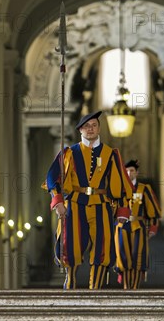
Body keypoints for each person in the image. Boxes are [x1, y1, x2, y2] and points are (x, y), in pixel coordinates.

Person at [46, 110, 133, 290]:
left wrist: (123, 210)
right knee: (70, 245)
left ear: (99, 128)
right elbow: (52, 178)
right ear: (80, 130)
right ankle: (70, 283)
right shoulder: (69, 152)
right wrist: (58, 201)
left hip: (102, 204)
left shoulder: (111, 154)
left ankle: (96, 290)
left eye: (94, 125)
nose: (90, 129)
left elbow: (122, 183)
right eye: (86, 126)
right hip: (75, 203)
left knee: (102, 246)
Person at [114, 159, 161, 289]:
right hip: (121, 227)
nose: (129, 173)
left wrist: (152, 226)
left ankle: (134, 288)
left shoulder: (144, 189)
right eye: (127, 171)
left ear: (137, 172)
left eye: (132, 170)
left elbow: (152, 209)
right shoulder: (118, 189)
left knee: (137, 257)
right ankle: (126, 287)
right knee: (123, 257)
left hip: (138, 226)